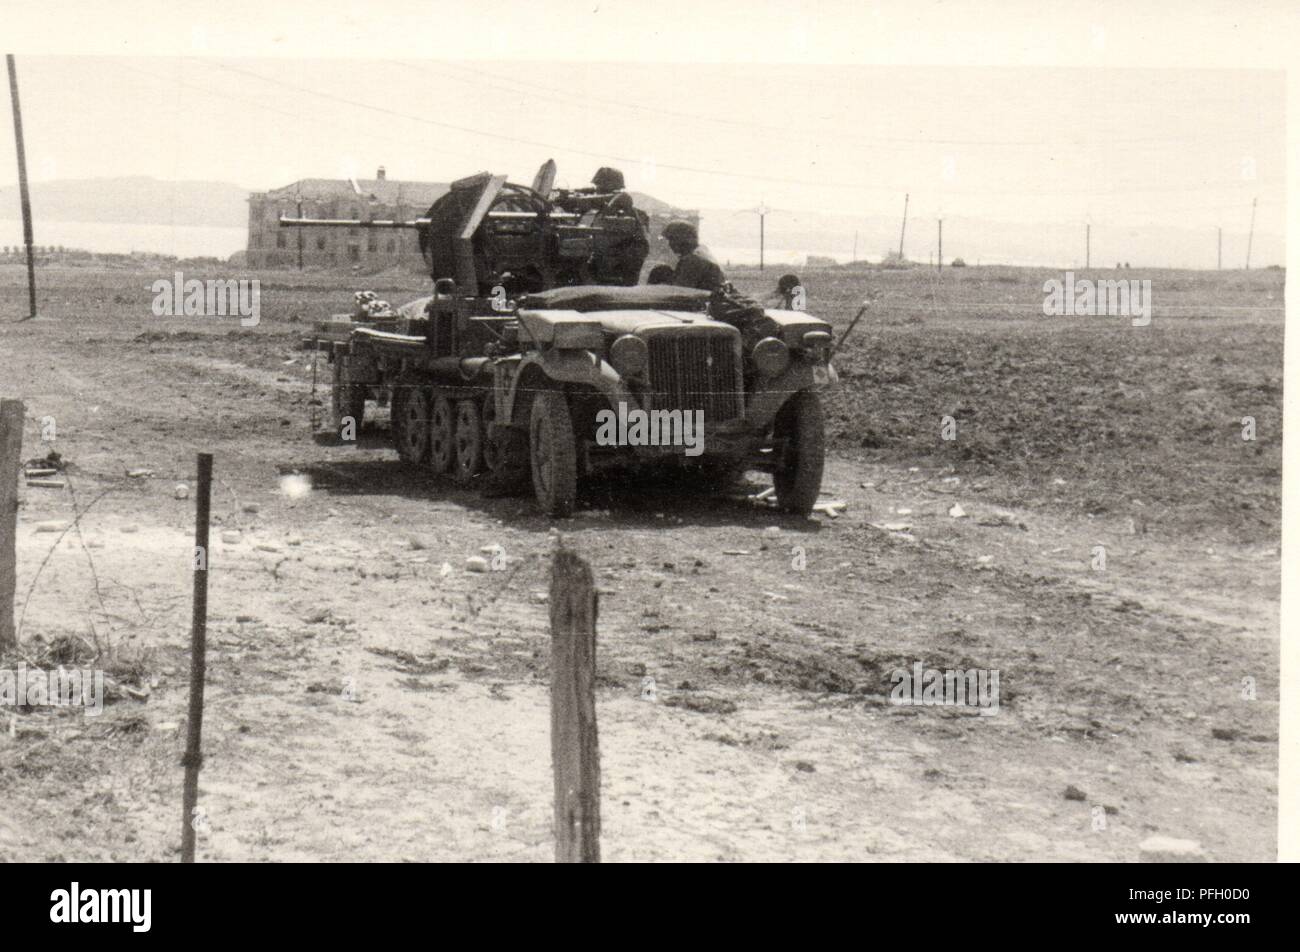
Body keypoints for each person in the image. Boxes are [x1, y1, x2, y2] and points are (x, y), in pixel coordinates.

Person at [662, 220, 724, 292]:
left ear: (683, 240)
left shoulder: (692, 260)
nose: (670, 244)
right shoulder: (702, 251)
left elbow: (679, 292)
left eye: (672, 239)